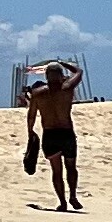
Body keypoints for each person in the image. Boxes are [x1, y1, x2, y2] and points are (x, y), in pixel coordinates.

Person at [20, 57, 86, 209]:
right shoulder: (67, 88)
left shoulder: (37, 94)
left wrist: (30, 132)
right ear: (61, 75)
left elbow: (31, 116)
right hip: (66, 133)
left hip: (50, 134)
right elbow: (79, 71)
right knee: (71, 167)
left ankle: (62, 202)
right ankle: (73, 196)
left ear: (46, 76)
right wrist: (63, 63)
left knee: (57, 171)